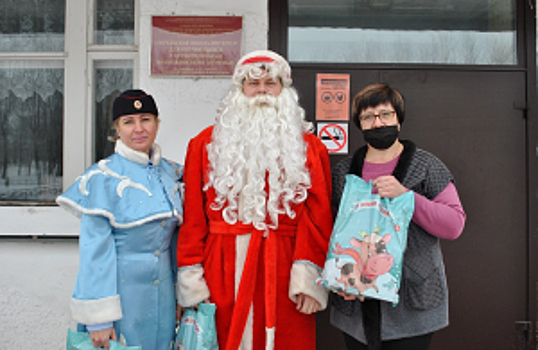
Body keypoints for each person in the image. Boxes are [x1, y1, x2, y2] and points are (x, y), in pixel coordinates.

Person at [175, 50, 333, 350]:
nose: (262, 91)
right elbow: (194, 219)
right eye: (253, 83)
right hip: (221, 270)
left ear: (283, 90)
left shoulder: (309, 148)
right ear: (239, 90)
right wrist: (193, 283)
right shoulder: (205, 144)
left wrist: (309, 280)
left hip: (286, 269)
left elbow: (318, 215)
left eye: (270, 83)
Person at [330, 83, 466, 350]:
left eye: (385, 114)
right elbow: (331, 230)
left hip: (413, 299)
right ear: (360, 124)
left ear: (399, 121)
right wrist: (338, 276)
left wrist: (407, 197)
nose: (377, 122)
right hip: (354, 302)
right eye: (368, 117)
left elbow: (453, 225)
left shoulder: (426, 166)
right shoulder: (344, 173)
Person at [56, 90, 183, 350]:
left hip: (165, 299)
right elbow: (95, 253)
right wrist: (99, 319)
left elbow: (179, 242)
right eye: (128, 122)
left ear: (157, 124)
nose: (138, 129)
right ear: (117, 129)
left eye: (146, 119)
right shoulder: (102, 177)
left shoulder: (172, 173)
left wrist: (182, 292)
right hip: (121, 300)